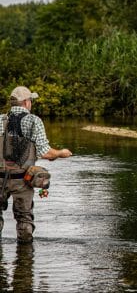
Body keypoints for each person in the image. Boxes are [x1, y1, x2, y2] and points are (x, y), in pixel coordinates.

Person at [0, 86, 72, 243]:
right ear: (26, 102)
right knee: (24, 220)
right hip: (22, 180)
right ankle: (24, 263)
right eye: (30, 100)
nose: (31, 103)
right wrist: (61, 153)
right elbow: (45, 152)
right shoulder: (34, 121)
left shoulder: (0, 119)